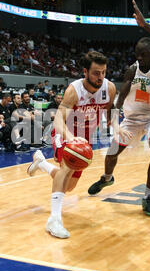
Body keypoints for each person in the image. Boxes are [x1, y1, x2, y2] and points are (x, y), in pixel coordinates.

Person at [87, 0, 150, 218]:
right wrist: (113, 114)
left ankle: (148, 196)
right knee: (111, 153)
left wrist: (146, 26)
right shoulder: (132, 69)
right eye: (137, 54)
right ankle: (107, 178)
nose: (139, 57)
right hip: (134, 117)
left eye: (143, 54)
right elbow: (124, 92)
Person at [27, 50, 117, 239]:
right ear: (85, 72)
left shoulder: (109, 89)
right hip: (65, 134)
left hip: (85, 138)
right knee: (66, 168)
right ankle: (54, 220)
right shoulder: (74, 91)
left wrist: (115, 126)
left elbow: (111, 110)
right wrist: (70, 137)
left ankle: (41, 163)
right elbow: (58, 119)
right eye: (95, 73)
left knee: (69, 187)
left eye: (103, 72)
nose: (100, 77)